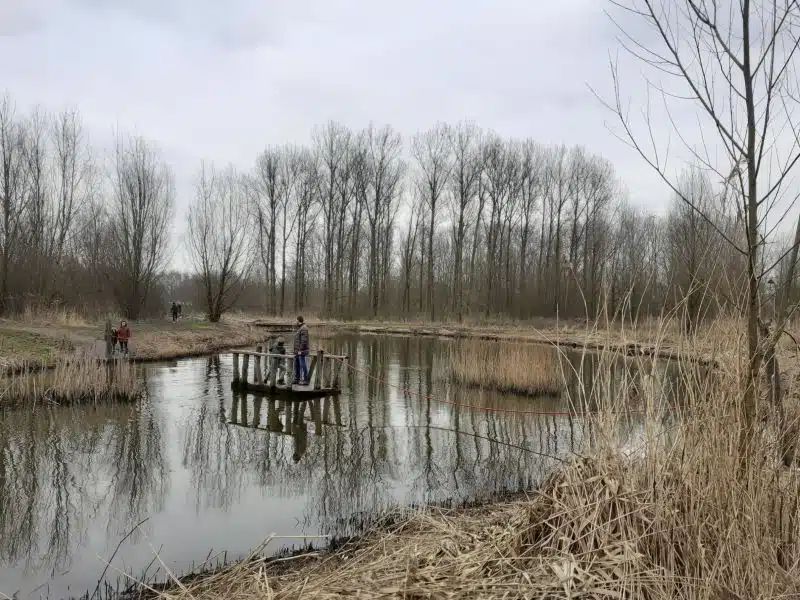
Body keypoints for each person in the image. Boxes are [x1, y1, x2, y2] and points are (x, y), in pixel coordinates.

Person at [293, 315, 310, 385]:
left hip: (301, 351)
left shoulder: (304, 328)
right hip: (297, 351)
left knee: (302, 365)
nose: (295, 322)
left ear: (298, 320)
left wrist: (300, 350)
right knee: (296, 365)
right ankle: (297, 379)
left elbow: (304, 341)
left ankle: (305, 380)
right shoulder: (300, 328)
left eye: (296, 320)